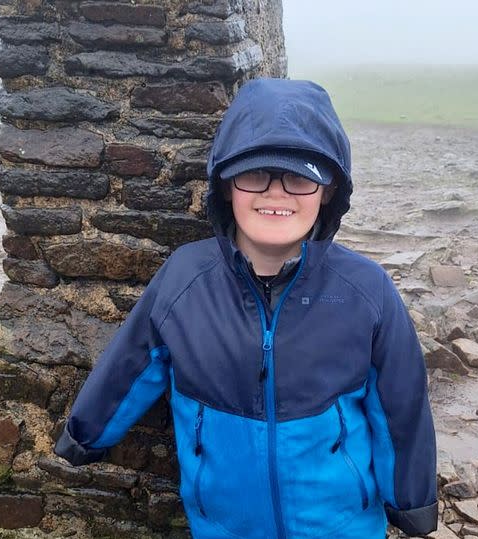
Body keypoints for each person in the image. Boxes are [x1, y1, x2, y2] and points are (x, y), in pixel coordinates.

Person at [54, 78, 438, 538]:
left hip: (340, 526)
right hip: (222, 527)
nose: (276, 194)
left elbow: (401, 408)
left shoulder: (365, 290)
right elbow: (130, 364)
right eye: (255, 174)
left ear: (329, 189)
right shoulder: (184, 279)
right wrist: (84, 435)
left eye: (299, 176)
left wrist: (411, 501)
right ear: (226, 185)